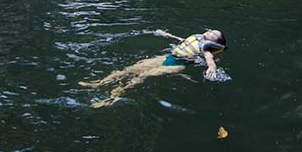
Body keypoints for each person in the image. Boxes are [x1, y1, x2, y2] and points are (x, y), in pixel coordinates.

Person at [80, 28, 227, 108]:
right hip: (168, 58)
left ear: (216, 42)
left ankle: (113, 97)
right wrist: (166, 34)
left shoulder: (206, 49)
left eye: (214, 34)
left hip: (177, 65)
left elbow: (209, 59)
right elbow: (182, 41)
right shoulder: (197, 38)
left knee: (142, 76)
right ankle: (99, 83)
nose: (211, 32)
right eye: (212, 30)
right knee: (128, 70)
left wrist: (212, 68)